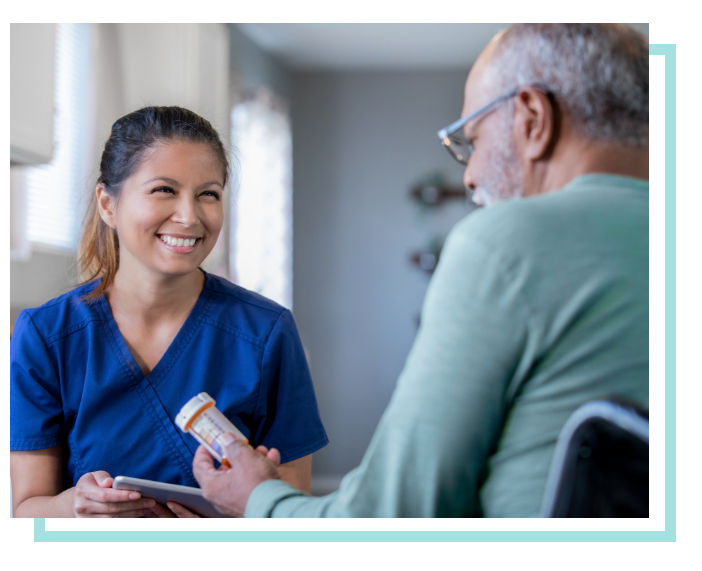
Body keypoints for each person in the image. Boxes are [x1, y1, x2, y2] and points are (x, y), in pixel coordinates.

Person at [192, 23, 650, 518]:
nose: (470, 175)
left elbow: (394, 515)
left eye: (472, 139)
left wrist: (258, 497)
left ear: (533, 118)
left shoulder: (508, 243)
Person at [10, 107, 328, 518]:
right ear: (108, 204)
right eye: (164, 190)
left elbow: (290, 507)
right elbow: (26, 511)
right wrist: (77, 506)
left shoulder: (266, 332)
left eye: (208, 194)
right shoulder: (46, 336)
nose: (189, 216)